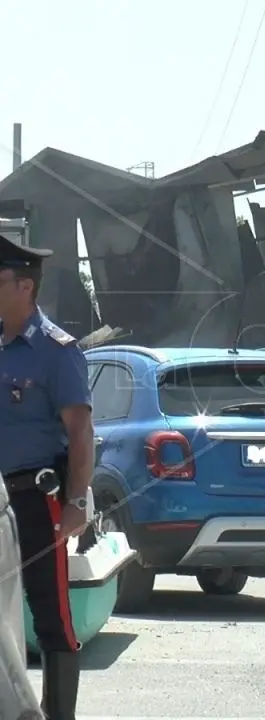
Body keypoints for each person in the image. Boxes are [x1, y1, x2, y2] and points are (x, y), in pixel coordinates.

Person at [0, 235, 94, 720]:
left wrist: (78, 503)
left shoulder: (56, 351)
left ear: (25, 286)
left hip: (37, 503)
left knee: (51, 619)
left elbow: (80, 433)